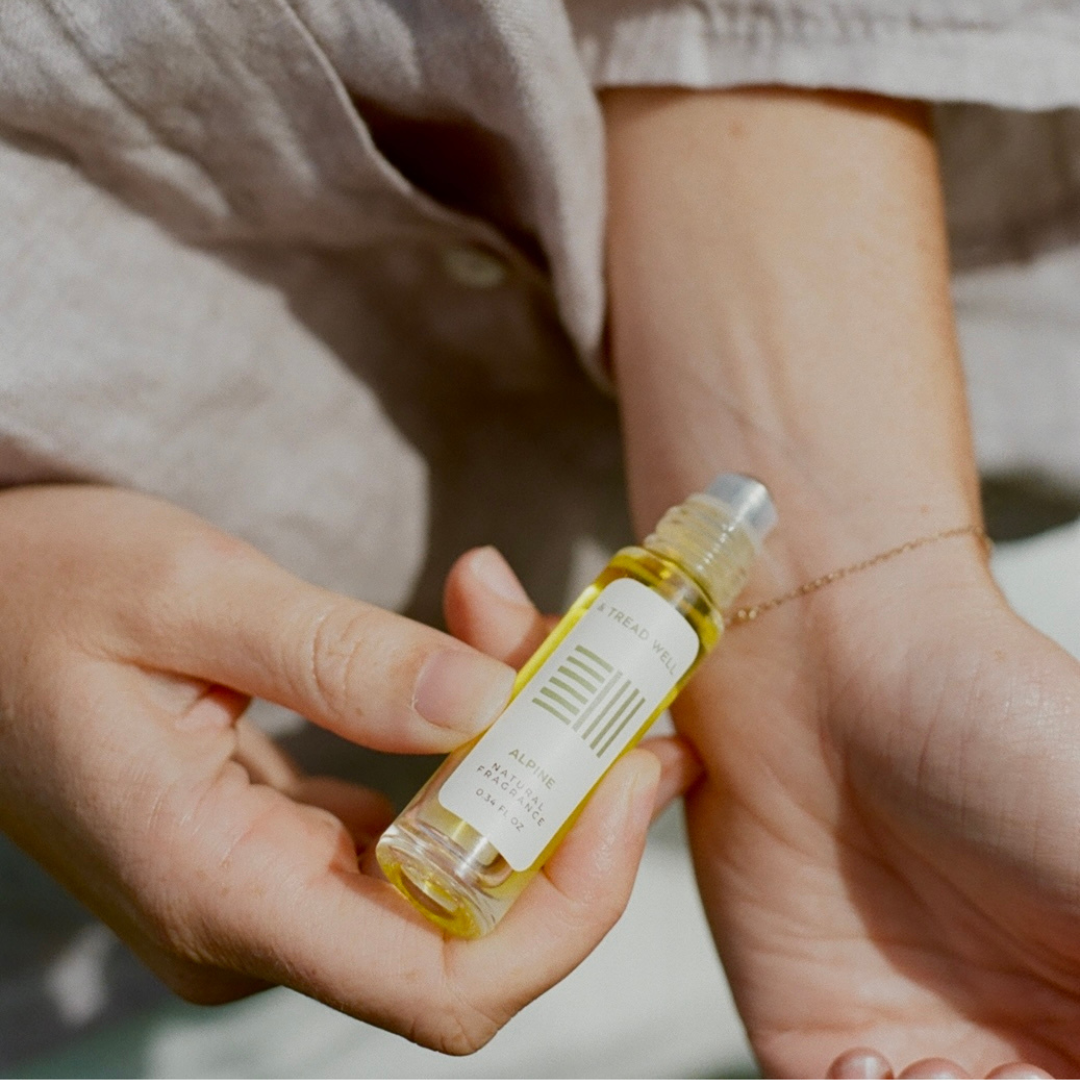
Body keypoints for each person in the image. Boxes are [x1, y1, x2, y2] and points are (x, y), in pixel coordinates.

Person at [1, 4, 1079, 1077]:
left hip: (714, 729)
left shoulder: (692, 606)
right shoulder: (667, 589)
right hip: (139, 860)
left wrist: (865, 642)